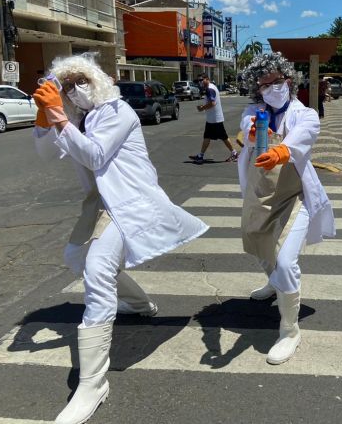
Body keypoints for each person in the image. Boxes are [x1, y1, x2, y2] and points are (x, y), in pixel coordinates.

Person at [32, 54, 209, 424]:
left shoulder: (117, 110)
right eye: (66, 86)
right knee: (75, 258)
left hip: (128, 201)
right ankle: (140, 303)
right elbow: (48, 153)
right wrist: (44, 118)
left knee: (97, 271)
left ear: (97, 79)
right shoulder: (78, 119)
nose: (74, 89)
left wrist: (59, 116)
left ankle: (93, 384)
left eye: (81, 79)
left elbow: (95, 156)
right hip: (99, 204)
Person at [238, 52, 336, 365]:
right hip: (263, 194)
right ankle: (273, 284)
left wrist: (282, 149)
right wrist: (253, 134)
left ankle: (290, 330)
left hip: (296, 197)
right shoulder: (255, 111)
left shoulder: (304, 113)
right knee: (258, 243)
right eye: (264, 85)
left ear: (288, 81)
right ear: (257, 89)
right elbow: (247, 127)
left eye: (276, 81)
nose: (271, 88)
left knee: (284, 259)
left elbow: (306, 133)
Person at [189, 74, 238, 163]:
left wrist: (202, 108)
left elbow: (212, 103)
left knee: (223, 137)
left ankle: (234, 153)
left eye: (201, 80)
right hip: (213, 118)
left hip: (215, 119)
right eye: (199, 80)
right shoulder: (211, 87)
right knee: (207, 136)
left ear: (207, 79)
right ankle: (200, 155)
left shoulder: (209, 89)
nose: (200, 82)